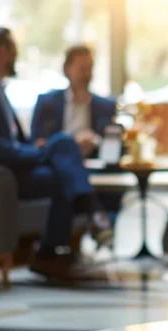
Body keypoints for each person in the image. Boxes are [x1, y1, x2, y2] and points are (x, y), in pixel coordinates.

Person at [0, 28, 113, 280]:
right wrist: (33, 153)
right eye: (14, 50)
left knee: (61, 169)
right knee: (63, 144)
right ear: (3, 51)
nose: (16, 57)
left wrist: (33, 148)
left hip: (6, 167)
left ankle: (54, 251)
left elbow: (9, 141)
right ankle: (87, 215)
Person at [30, 45, 122, 218]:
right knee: (63, 145)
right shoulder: (47, 103)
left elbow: (114, 145)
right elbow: (36, 142)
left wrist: (96, 142)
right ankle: (95, 214)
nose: (86, 74)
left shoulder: (106, 106)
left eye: (90, 68)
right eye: (81, 68)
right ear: (67, 69)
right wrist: (72, 144)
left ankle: (95, 213)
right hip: (59, 166)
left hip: (94, 164)